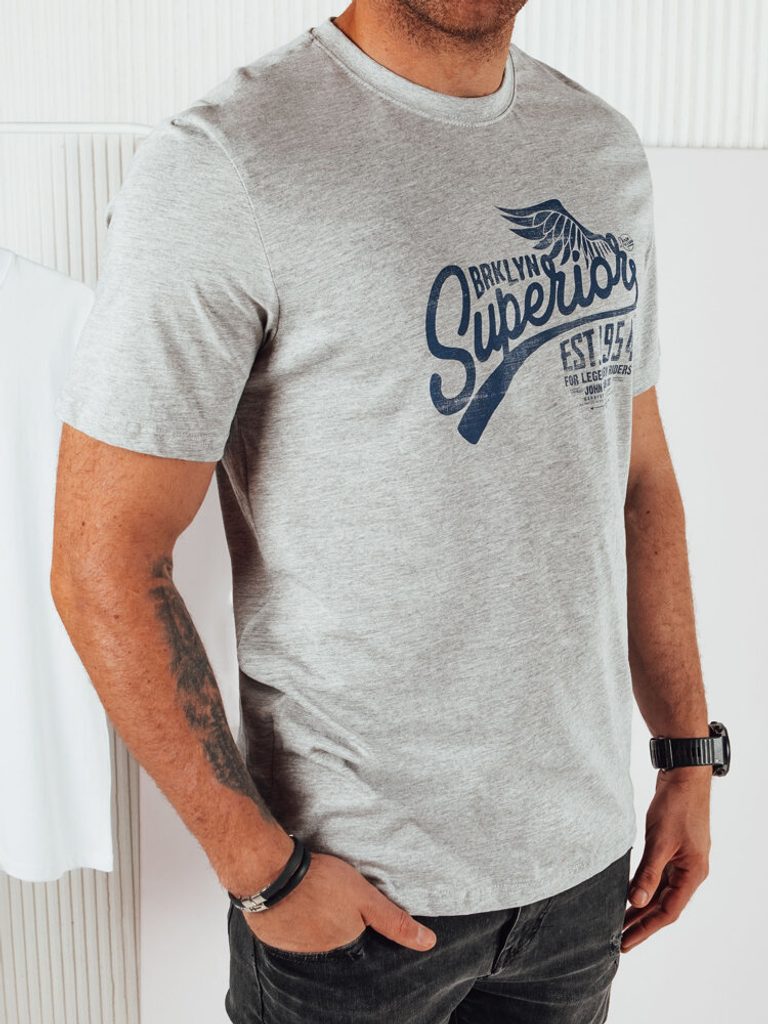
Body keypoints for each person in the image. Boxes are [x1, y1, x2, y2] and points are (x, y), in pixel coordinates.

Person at [50, 2, 714, 1021]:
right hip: (353, 904)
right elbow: (102, 557)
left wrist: (686, 753)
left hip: (582, 882)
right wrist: (262, 873)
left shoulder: (600, 151)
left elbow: (641, 477)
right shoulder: (227, 163)